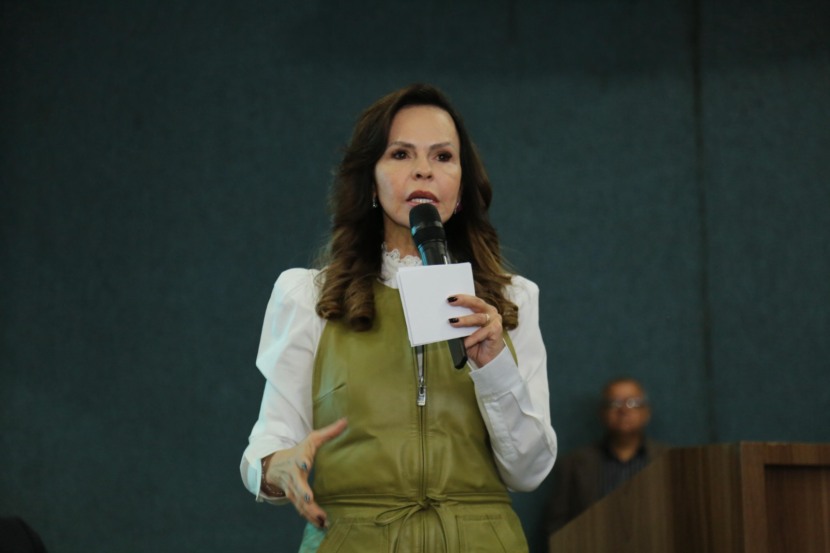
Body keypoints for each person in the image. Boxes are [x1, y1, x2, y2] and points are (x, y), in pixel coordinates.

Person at [239, 83, 558, 552]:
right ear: (371, 181)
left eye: (443, 156)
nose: (423, 169)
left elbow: (529, 471)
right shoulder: (309, 296)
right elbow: (269, 443)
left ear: (461, 186)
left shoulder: (512, 300)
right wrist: (276, 467)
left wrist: (494, 367)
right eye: (401, 154)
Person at [544, 377, 668, 536]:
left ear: (646, 412)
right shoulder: (573, 463)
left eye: (633, 403)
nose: (624, 410)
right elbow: (557, 525)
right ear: (602, 413)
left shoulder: (668, 459)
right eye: (614, 403)